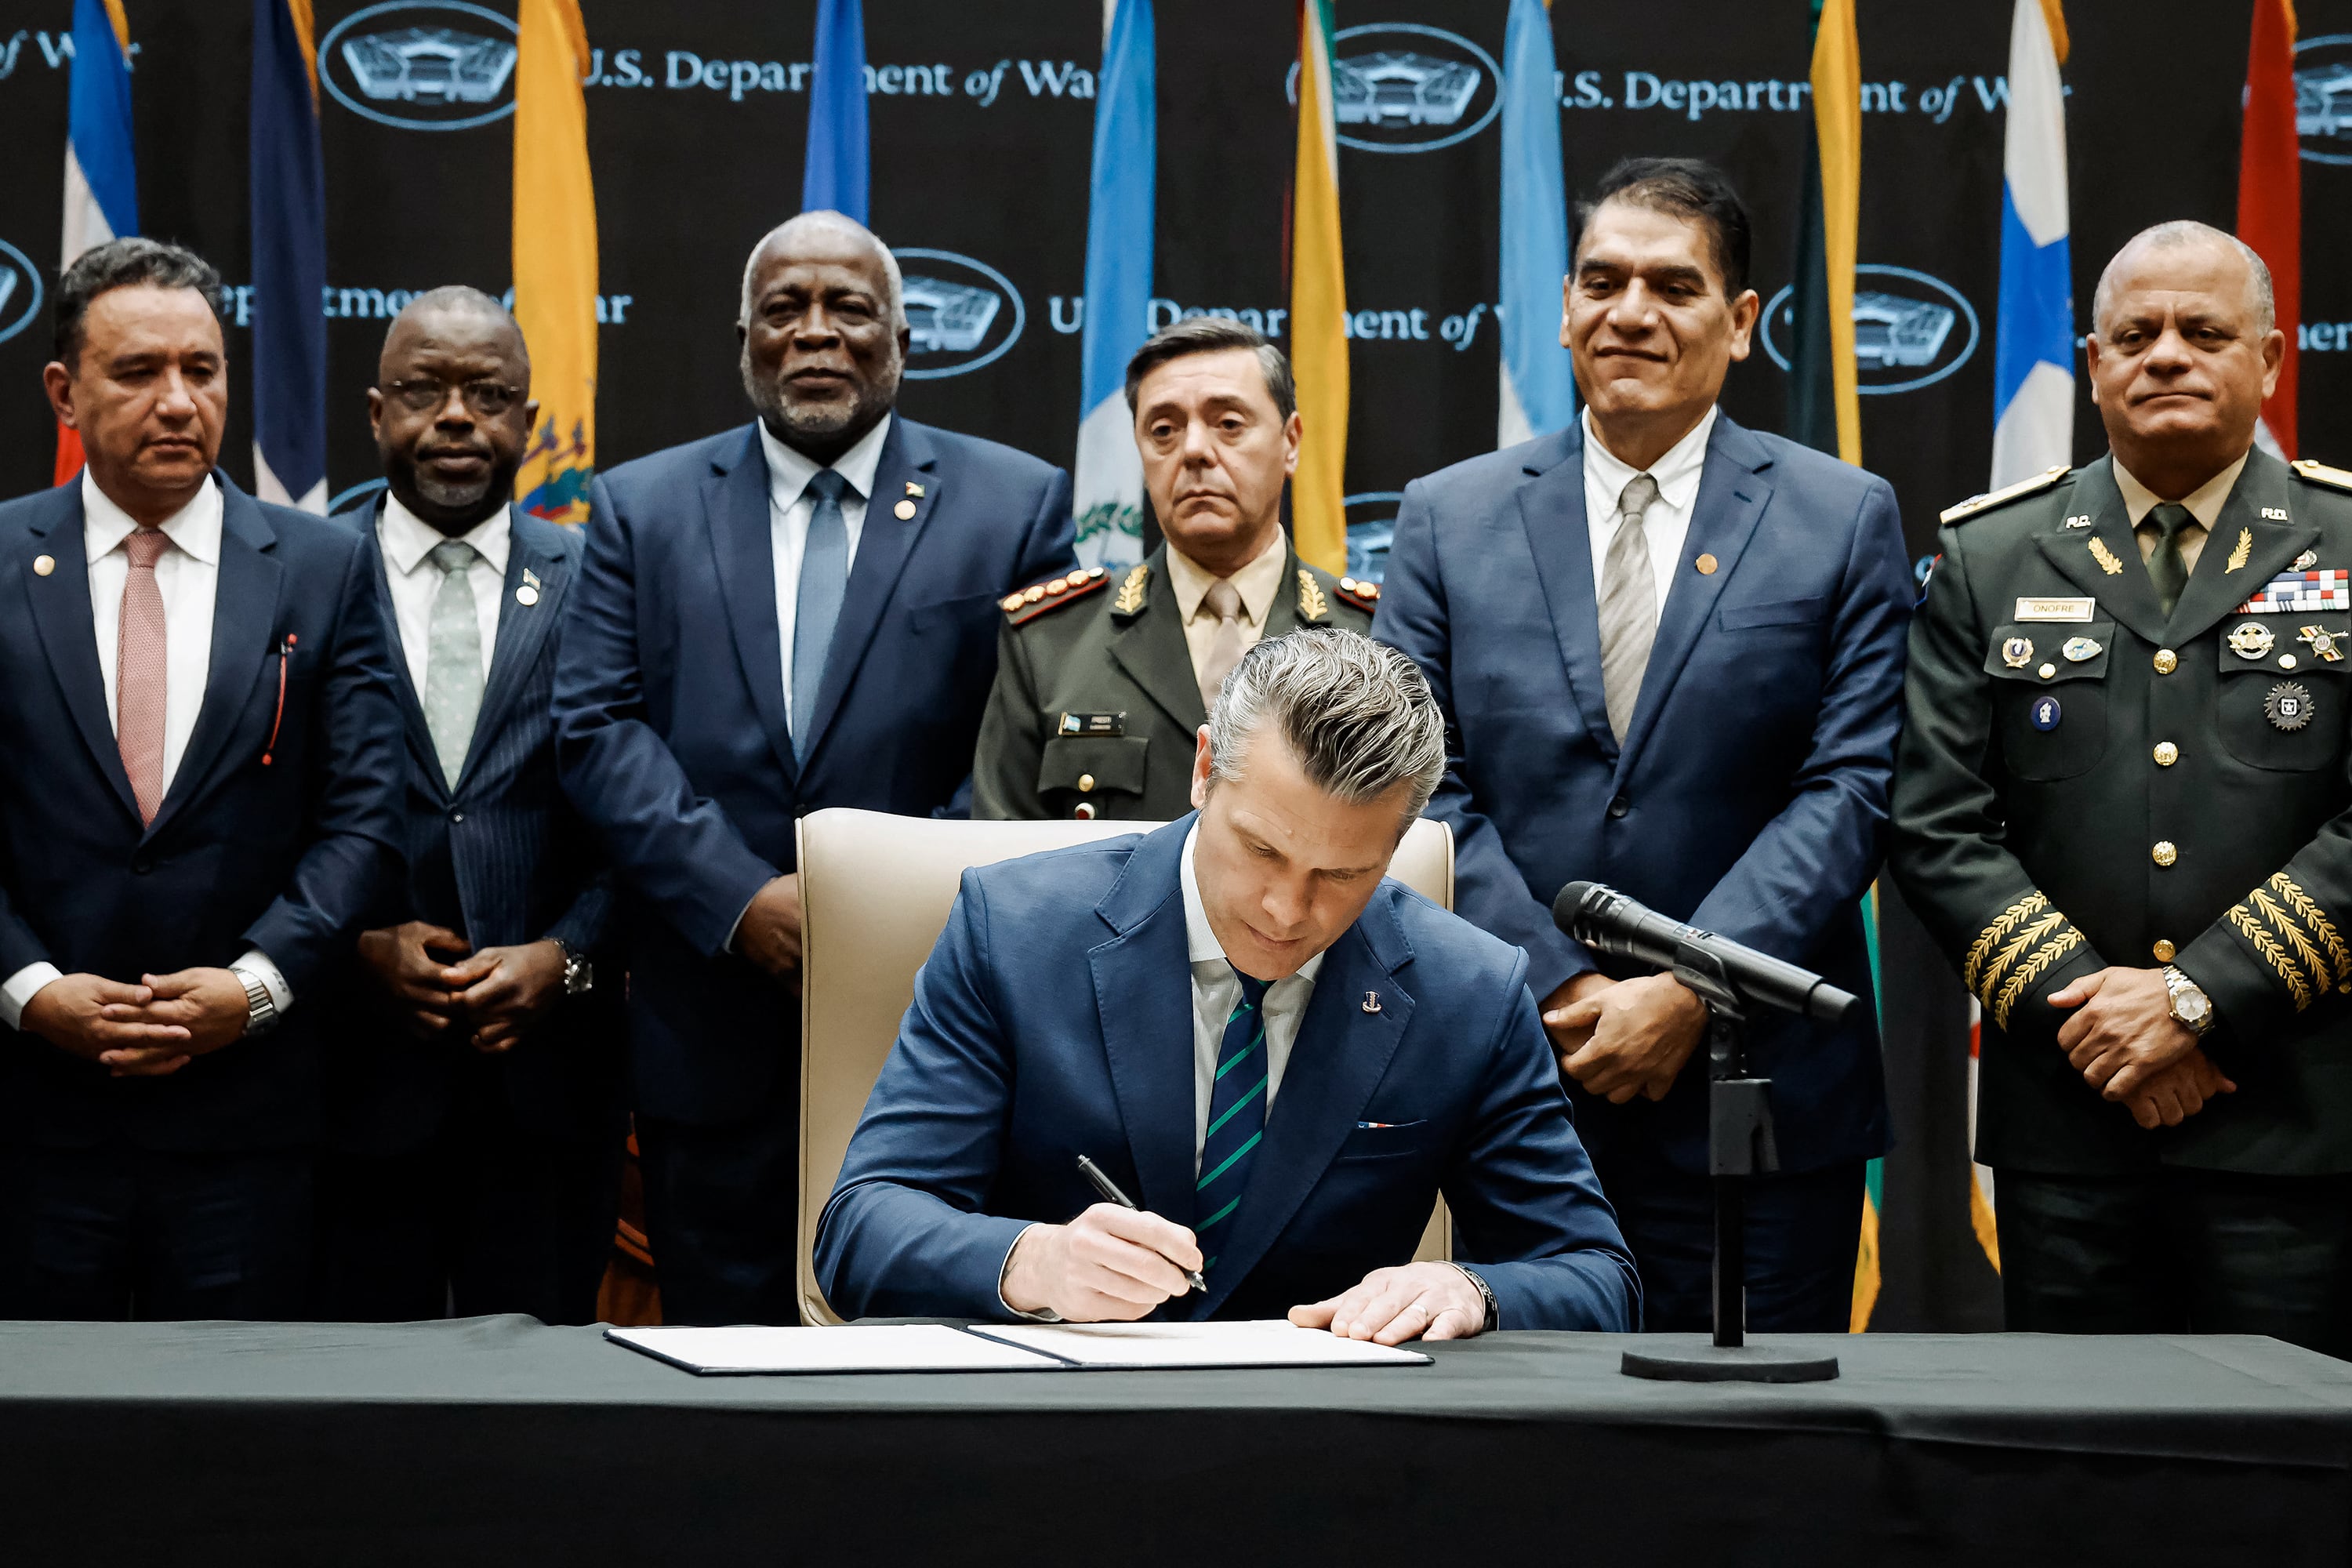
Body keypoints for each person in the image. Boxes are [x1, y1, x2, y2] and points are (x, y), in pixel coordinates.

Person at [1373, 157, 1912, 1333]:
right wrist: (1559, 986)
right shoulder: (1446, 515)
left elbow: (1852, 789)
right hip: (1517, 1077)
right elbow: (1416, 782)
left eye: (1673, 286)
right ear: (1564, 307)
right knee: (1532, 1473)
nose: (1631, 313)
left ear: (1743, 319)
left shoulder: (1844, 515)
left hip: (1758, 1096)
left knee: (1762, 1464)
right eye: (1602, 281)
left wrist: (1685, 988)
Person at [555, 211, 1076, 1326]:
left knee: (923, 1346)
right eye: (785, 310)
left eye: (850, 309)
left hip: (935, 1009)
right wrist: (739, 900)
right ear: (744, 338)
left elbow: (1029, 741)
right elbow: (595, 727)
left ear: (901, 339)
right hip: (712, 1016)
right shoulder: (641, 508)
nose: (817, 334)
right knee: (721, 1358)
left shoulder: (1014, 503)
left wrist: (881, 905)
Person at [818, 630, 1638, 1336]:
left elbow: (1597, 1275)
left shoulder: (1472, 989)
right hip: (1052, 1428)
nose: (1287, 910)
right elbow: (862, 1226)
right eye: (1261, 850)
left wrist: (1474, 1288)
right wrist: (1033, 1261)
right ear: (1206, 769)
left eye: (1342, 873)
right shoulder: (1013, 928)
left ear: (1396, 846)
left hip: (1320, 1452)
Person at [1891, 220, 2352, 1355]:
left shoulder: (2346, 540)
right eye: (2135, 334)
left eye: (2205, 331)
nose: (2167, 356)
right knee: (2080, 1486)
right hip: (2072, 1124)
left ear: (2272, 360)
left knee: (2290, 1495)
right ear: (2093, 363)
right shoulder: (1992, 555)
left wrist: (2196, 1002)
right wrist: (2101, 1025)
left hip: (2294, 1122)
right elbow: (1938, 823)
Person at [0, 238, 404, 1319]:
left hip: (250, 1120)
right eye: (138, 373)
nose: (178, 401)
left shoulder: (324, 565)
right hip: (34, 1117)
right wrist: (31, 993)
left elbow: (365, 817)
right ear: (65, 392)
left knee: (238, 1469)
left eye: (203, 369)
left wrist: (258, 986)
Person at [314, 289, 623, 1325]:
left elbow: (650, 806)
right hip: (346, 1079)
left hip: (550, 1084)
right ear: (373, 414)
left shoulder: (601, 580)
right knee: (350, 1415)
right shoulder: (300, 575)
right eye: (422, 391)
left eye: (488, 394)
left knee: (541, 1428)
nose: (454, 417)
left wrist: (568, 956)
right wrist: (350, 941)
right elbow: (255, 806)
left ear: (529, 427)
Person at [972, 319, 1376, 822]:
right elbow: (1001, 857)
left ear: (1291, 441)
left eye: (1229, 424)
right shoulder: (1051, 640)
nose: (1193, 451)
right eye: (1163, 431)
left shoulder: (1372, 636)